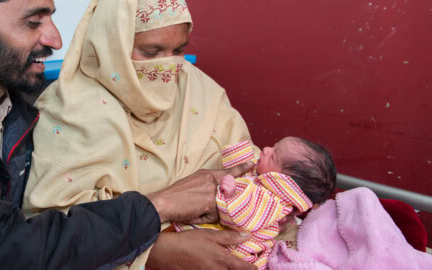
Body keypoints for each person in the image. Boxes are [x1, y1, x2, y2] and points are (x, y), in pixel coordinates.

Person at [0, 0, 255, 269]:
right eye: (34, 21)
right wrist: (157, 213)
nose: (55, 38)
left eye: (52, 17)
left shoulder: (36, 106)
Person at [22, 0, 259, 268]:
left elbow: (248, 166)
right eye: (150, 52)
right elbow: (50, 231)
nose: (167, 67)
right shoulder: (72, 107)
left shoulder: (198, 87)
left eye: (178, 51)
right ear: (112, 45)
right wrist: (152, 253)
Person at [174, 137, 337, 270]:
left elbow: (244, 218)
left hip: (237, 246)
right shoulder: (262, 180)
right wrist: (238, 152)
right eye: (274, 145)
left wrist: (232, 195)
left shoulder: (272, 204)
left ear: (283, 183)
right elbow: (244, 171)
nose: (266, 149)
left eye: (273, 156)